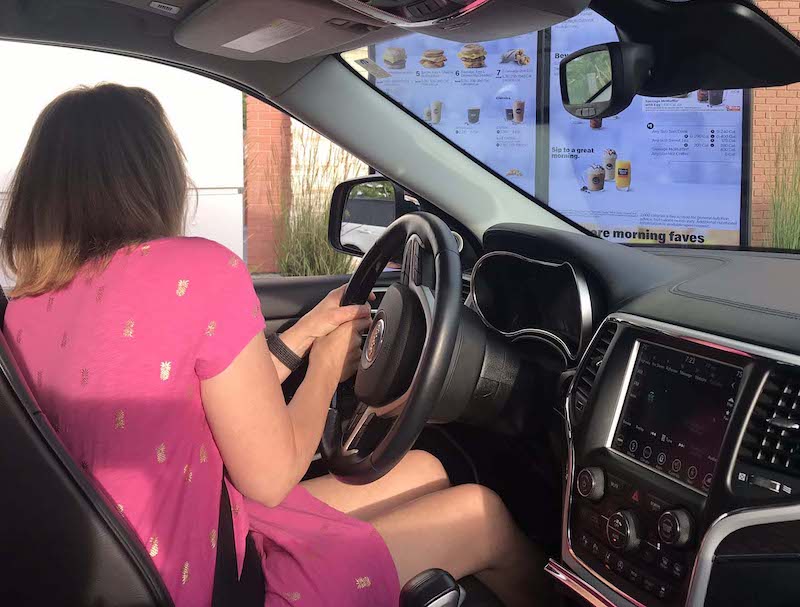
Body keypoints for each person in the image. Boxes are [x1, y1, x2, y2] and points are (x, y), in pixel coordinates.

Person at [1, 83, 547, 607]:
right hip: (215, 586)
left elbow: (198, 386)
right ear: (154, 177)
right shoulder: (199, 270)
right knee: (482, 515)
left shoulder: (25, 311)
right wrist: (325, 369)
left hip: (157, 550)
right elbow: (269, 479)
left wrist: (306, 333)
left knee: (428, 468)